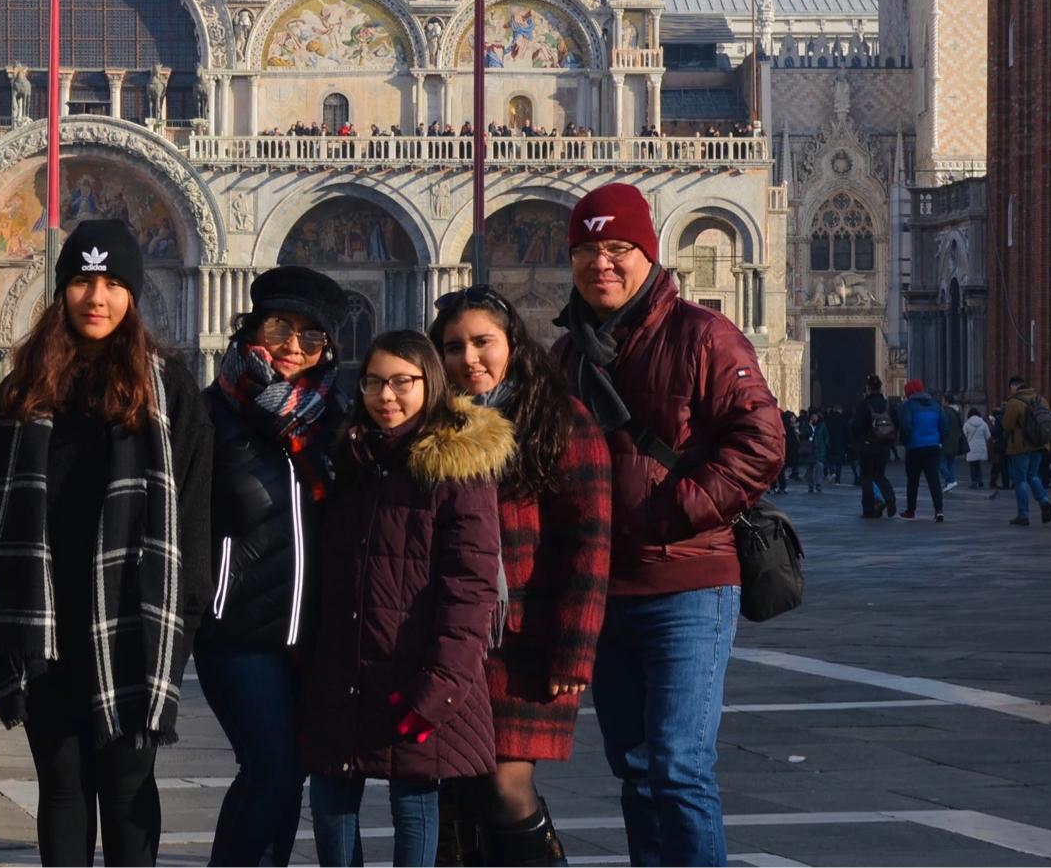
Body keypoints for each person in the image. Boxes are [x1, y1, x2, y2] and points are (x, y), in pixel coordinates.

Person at [0, 220, 213, 867]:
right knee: (64, 785)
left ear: (132, 293)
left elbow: (190, 514)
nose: (95, 297)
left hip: (135, 619)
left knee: (128, 785)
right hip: (42, 623)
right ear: (60, 289)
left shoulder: (171, 390)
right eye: (80, 280)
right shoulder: (21, 392)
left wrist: (180, 620)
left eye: (111, 283)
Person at [551, 183, 783, 867]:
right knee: (635, 767)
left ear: (647, 253)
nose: (603, 263)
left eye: (619, 248)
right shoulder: (566, 355)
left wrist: (671, 513)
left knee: (679, 766)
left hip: (688, 583)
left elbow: (762, 442)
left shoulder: (703, 334)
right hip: (605, 590)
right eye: (588, 249)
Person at [299, 330, 508, 868]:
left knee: (414, 797)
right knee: (330, 793)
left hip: (417, 672)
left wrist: (440, 688)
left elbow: (472, 587)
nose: (385, 396)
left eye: (401, 382)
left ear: (429, 384)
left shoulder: (457, 469)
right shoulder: (350, 460)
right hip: (345, 668)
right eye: (373, 382)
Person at [430, 286, 612, 865]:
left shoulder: (557, 417)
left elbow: (590, 542)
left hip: (526, 638)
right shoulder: (433, 424)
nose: (470, 359)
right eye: (454, 347)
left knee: (507, 787)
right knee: (459, 788)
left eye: (483, 342)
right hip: (454, 637)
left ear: (513, 344)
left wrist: (574, 654)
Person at [196, 266, 351, 868]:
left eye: (311, 338)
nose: (293, 346)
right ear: (251, 328)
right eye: (280, 327)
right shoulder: (209, 415)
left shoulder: (333, 419)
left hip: (312, 635)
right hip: (237, 633)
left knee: (288, 776)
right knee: (272, 766)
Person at [1000, 375, 1051, 526]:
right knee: (1033, 475)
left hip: (1021, 446)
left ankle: (1023, 515)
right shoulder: (1041, 399)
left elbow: (1007, 425)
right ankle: (1044, 501)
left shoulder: (1014, 402)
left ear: (1013, 387)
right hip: (1039, 444)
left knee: (1020, 480)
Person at [851, 376, 901, 519]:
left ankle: (869, 509)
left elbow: (856, 427)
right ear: (881, 388)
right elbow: (896, 423)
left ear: (868, 388)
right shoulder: (888, 405)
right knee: (880, 475)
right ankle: (890, 498)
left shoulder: (864, 405)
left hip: (867, 446)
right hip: (884, 446)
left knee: (867, 477)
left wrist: (858, 440)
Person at [897, 379, 947, 522]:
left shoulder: (909, 406)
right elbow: (944, 426)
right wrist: (938, 440)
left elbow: (906, 426)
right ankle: (939, 510)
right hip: (932, 447)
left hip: (915, 448)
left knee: (913, 481)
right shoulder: (936, 405)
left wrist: (906, 442)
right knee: (934, 480)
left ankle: (911, 511)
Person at [963, 406, 992, 489]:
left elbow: (964, 435)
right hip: (981, 447)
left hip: (971, 447)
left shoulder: (967, 424)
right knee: (978, 465)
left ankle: (974, 482)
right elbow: (988, 436)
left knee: (972, 466)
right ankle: (980, 481)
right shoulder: (983, 423)